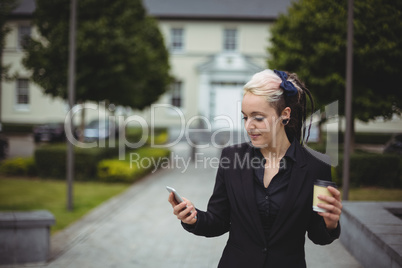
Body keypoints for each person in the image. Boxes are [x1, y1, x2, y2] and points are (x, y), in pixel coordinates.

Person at [168, 69, 342, 268]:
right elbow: (219, 221)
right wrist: (193, 217)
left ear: (284, 115)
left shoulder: (316, 167)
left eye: (258, 117)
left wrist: (330, 223)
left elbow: (318, 235)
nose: (249, 126)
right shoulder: (231, 158)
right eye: (245, 117)